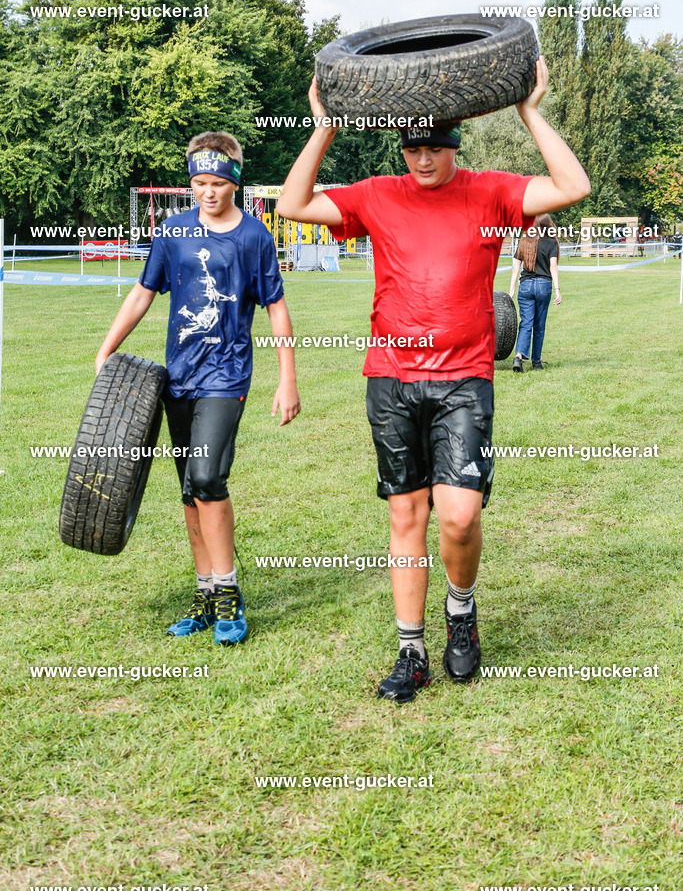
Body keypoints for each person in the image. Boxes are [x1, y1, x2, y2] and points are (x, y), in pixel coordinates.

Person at [276, 56, 590, 703]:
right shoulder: (376, 194)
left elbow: (572, 184)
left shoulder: (491, 192)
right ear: (402, 148)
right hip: (391, 379)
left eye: (435, 147)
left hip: (463, 380)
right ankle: (411, 650)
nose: (423, 159)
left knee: (460, 516)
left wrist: (528, 110)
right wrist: (325, 125)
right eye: (413, 148)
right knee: (405, 515)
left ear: (454, 144)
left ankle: (461, 608)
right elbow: (291, 204)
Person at [95, 132, 300, 644]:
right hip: (179, 377)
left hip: (227, 376)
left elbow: (276, 307)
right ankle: (205, 593)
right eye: (200, 183)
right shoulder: (172, 232)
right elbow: (142, 293)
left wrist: (287, 379)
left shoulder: (254, 237)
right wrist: (106, 348)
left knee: (208, 477)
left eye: (218, 183)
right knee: (191, 490)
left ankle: (228, 593)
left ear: (235, 181)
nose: (209, 192)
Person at [509, 213, 561, 372]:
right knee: (539, 325)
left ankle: (518, 356)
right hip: (544, 286)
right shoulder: (551, 242)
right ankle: (536, 361)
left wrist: (511, 290)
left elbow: (516, 268)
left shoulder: (524, 241)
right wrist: (557, 290)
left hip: (525, 286)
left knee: (525, 323)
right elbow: (553, 267)